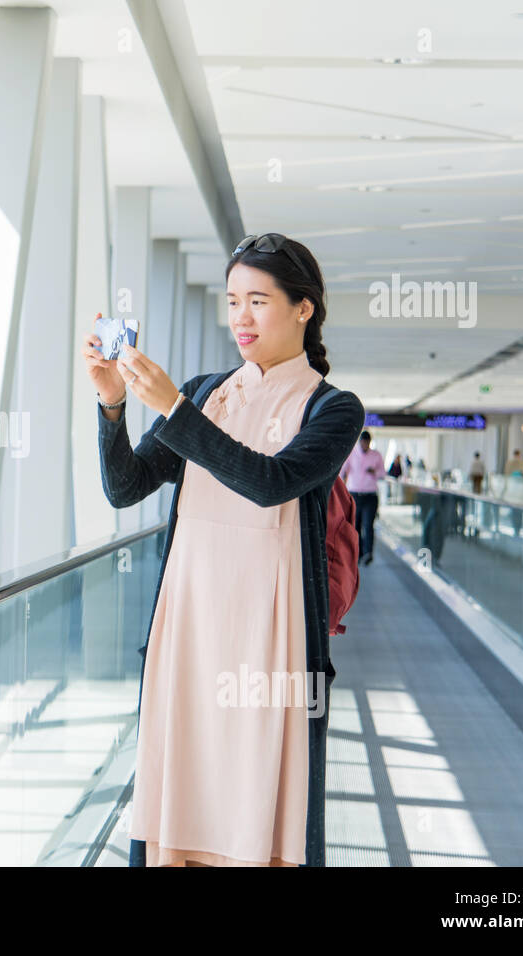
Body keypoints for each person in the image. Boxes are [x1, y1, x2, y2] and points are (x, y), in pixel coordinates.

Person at [86, 232, 363, 868]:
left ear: (303, 309)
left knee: (257, 815)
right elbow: (127, 487)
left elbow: (271, 484)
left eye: (259, 300)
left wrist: (176, 411)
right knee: (180, 804)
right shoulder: (207, 390)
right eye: (233, 300)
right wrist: (113, 401)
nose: (241, 316)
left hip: (270, 643)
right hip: (188, 633)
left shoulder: (332, 408)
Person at [340, 431, 384, 566]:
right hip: (354, 495)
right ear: (360, 442)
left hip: (370, 496)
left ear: (370, 443)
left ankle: (368, 553)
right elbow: (342, 472)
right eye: (363, 442)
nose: (365, 445)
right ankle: (357, 554)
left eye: (367, 443)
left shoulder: (376, 455)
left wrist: (374, 472)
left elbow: (382, 474)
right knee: (355, 526)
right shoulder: (352, 454)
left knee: (368, 525)